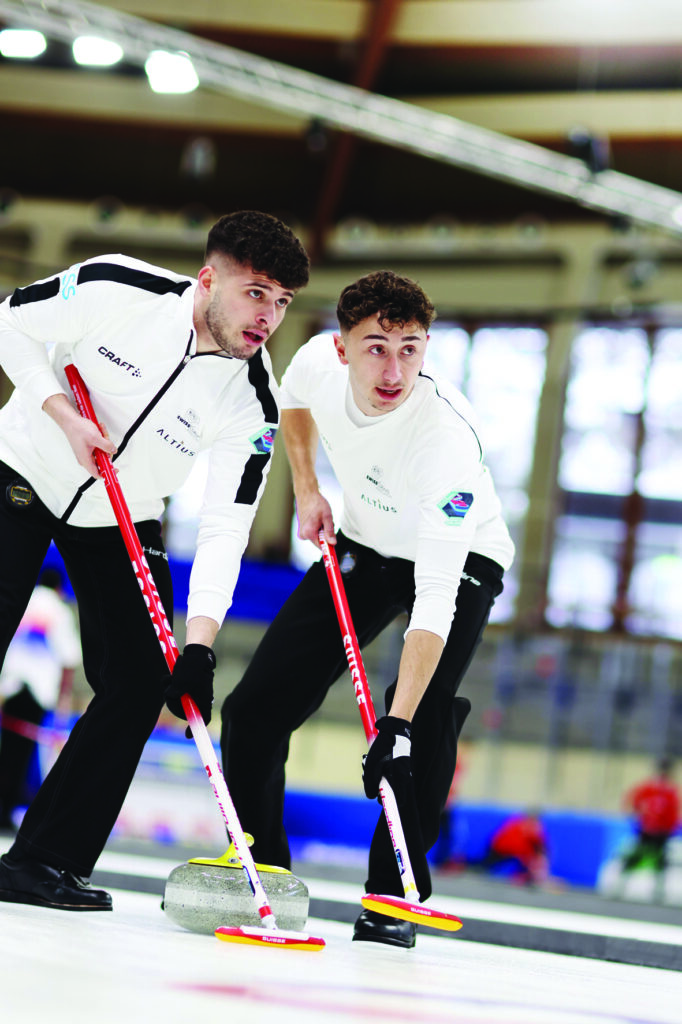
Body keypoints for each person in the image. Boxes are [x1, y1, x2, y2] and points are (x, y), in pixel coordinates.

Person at [0, 210, 310, 910]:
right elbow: (8, 322)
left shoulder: (255, 401)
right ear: (208, 280)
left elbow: (228, 525)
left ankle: (44, 860)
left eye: (283, 302)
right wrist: (61, 413)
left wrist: (199, 646)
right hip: (20, 467)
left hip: (121, 514)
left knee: (143, 676)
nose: (269, 316)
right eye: (256, 293)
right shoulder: (118, 287)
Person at [221, 270, 514, 948]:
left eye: (411, 348)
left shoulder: (444, 440)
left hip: (460, 561)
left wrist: (397, 725)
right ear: (342, 345)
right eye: (377, 347)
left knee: (423, 714)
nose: (394, 368)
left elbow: (434, 600)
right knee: (253, 707)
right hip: (364, 542)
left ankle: (392, 897)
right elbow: (292, 404)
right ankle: (264, 873)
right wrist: (306, 488)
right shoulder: (315, 365)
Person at [0, 568, 80, 831]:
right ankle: (7, 809)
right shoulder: (59, 610)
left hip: (10, 687)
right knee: (21, 755)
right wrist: (63, 699)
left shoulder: (25, 599)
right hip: (37, 692)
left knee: (7, 750)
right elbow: (69, 658)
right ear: (59, 588)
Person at [621, 757, 680, 882]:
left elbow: (674, 812)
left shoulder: (671, 791)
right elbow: (634, 803)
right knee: (637, 854)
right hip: (647, 828)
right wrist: (637, 817)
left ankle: (659, 884)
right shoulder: (647, 788)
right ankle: (623, 880)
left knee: (661, 858)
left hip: (662, 830)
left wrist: (672, 826)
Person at [482, 809, 549, 887]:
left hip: (520, 855)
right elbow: (499, 840)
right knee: (486, 865)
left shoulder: (536, 829)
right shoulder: (516, 824)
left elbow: (540, 847)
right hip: (502, 850)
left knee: (528, 865)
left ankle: (527, 877)